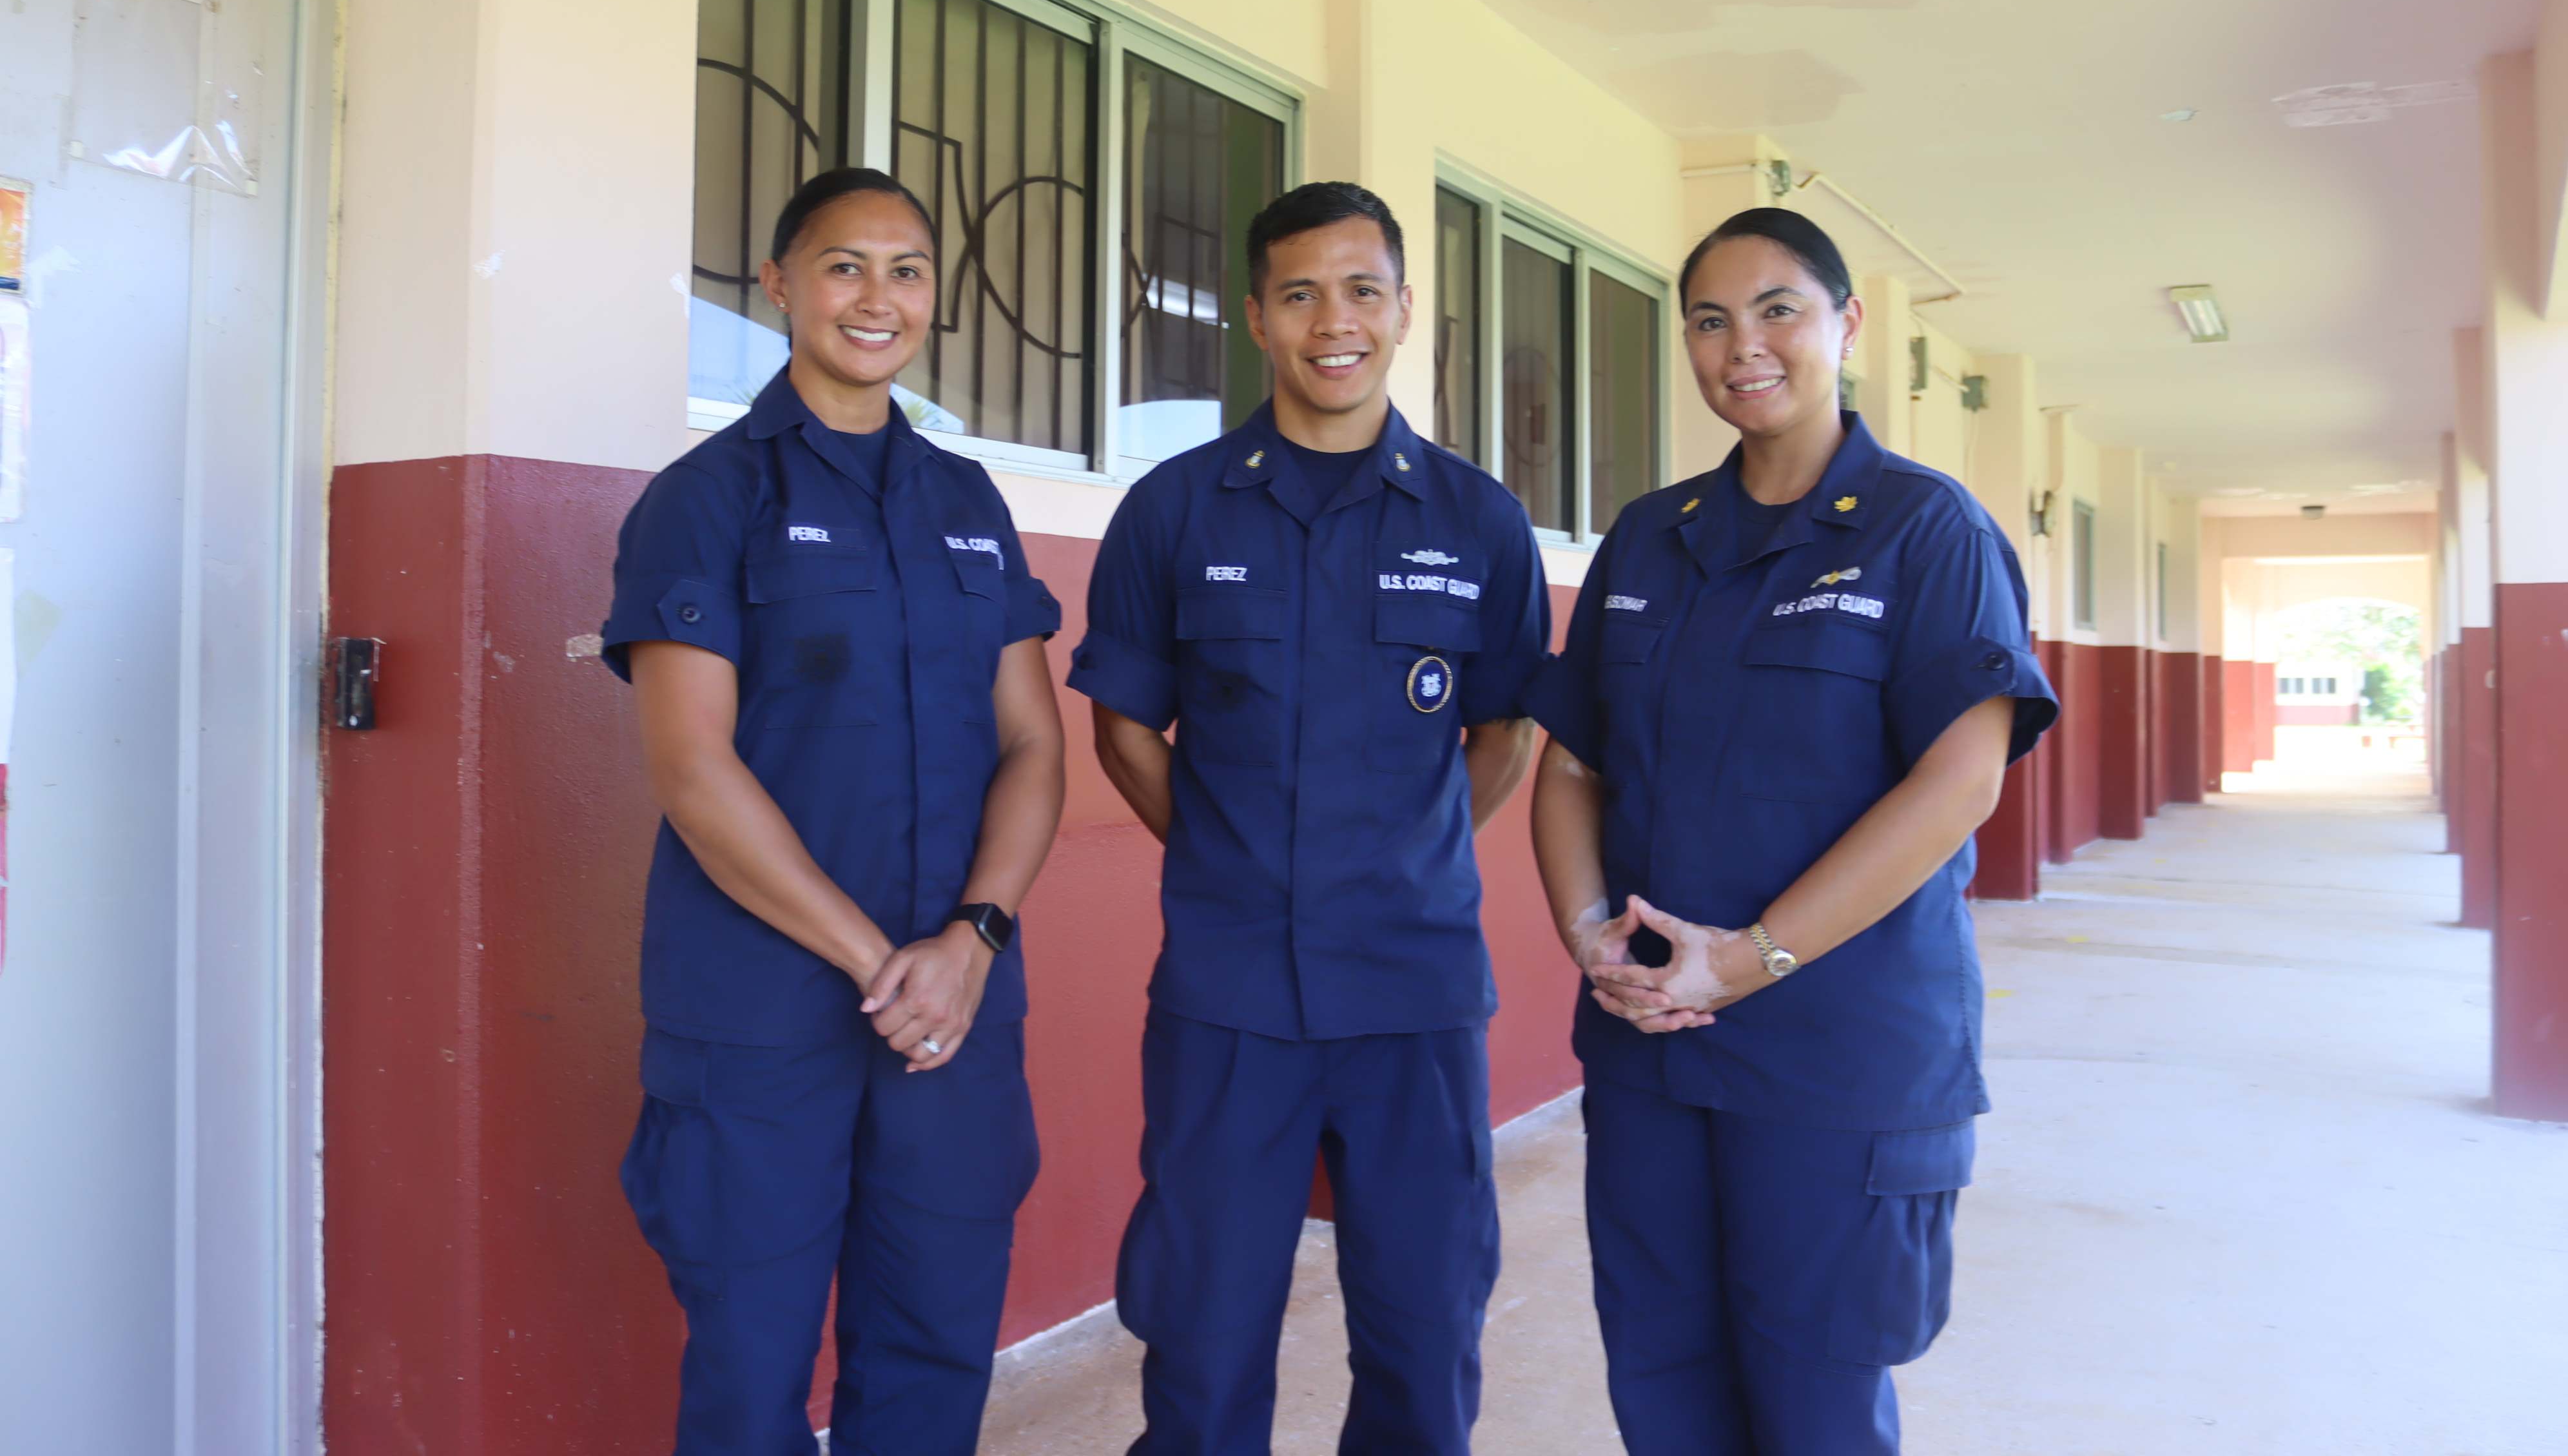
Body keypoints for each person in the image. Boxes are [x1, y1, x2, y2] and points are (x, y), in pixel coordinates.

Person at [1522, 208, 2059, 1456]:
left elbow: (1958, 783)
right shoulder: (1653, 536)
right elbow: (1571, 766)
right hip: (1653, 1048)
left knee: (1815, 1402)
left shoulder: (1927, 531)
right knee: (1662, 1380)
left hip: (1839, 1063)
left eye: (1778, 310)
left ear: (1846, 325)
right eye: (1710, 320)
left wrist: (1749, 955)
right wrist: (1590, 932)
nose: (1741, 346)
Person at [1067, 182, 1550, 1456]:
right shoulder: (1175, 509)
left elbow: (1503, 730)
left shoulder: (1480, 521)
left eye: (1360, 289)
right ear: (1256, 319)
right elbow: (1125, 725)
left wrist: (1408, 847)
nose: (1332, 321)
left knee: (1423, 1327)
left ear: (1403, 311)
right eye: (1298, 293)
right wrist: (1236, 851)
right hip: (1230, 995)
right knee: (1205, 1331)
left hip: (1417, 991)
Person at [599, 168, 1066, 1456]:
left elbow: (1034, 742)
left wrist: (972, 938)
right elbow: (693, 771)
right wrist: (882, 964)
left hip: (952, 1008)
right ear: (782, 287)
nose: (878, 295)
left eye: (907, 268)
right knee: (751, 1370)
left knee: (933, 1346)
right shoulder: (707, 498)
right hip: (763, 1014)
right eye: (845, 264)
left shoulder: (968, 502)